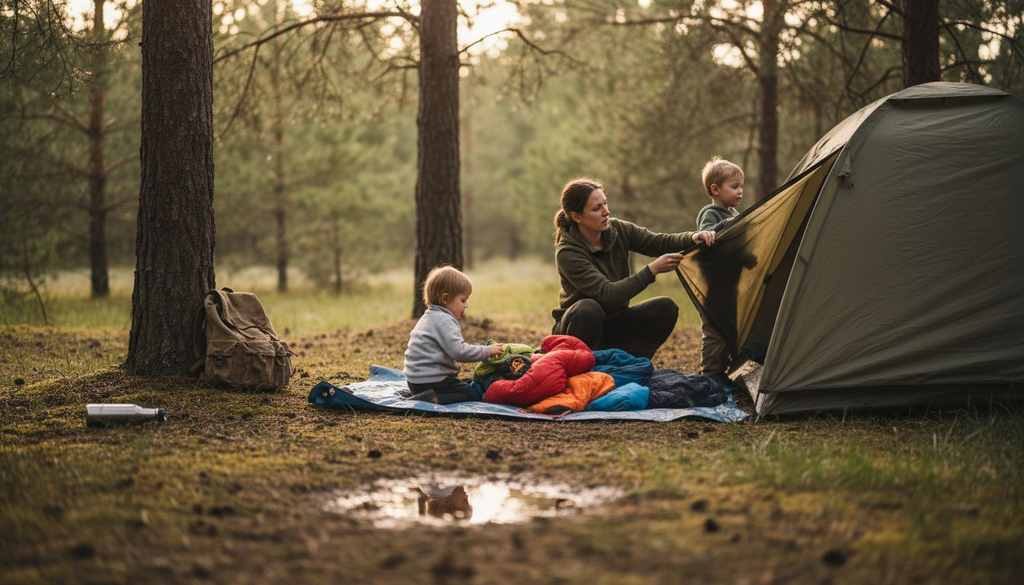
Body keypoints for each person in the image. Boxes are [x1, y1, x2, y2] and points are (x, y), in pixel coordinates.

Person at [551, 178, 717, 359]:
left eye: (605, 204)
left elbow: (658, 242)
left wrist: (693, 237)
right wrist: (651, 271)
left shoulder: (617, 229)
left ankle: (630, 363)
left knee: (665, 308)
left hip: (614, 324)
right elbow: (609, 294)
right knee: (589, 309)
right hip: (576, 330)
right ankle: (580, 366)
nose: (606, 212)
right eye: (596, 208)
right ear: (576, 216)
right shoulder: (568, 252)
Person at [403, 266, 503, 404]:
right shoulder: (444, 320)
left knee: (467, 384)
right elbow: (459, 351)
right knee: (474, 394)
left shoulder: (430, 316)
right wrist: (487, 351)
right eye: (463, 300)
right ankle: (433, 399)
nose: (466, 306)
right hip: (431, 381)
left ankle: (427, 395)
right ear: (445, 299)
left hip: (416, 381)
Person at [695, 157, 747, 383]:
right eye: (734, 186)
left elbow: (734, 248)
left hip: (731, 285)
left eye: (741, 186)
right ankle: (710, 374)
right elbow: (707, 235)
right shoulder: (712, 213)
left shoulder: (734, 215)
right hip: (714, 286)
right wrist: (725, 226)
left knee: (729, 328)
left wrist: (748, 257)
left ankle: (724, 370)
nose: (740, 192)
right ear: (715, 189)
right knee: (714, 331)